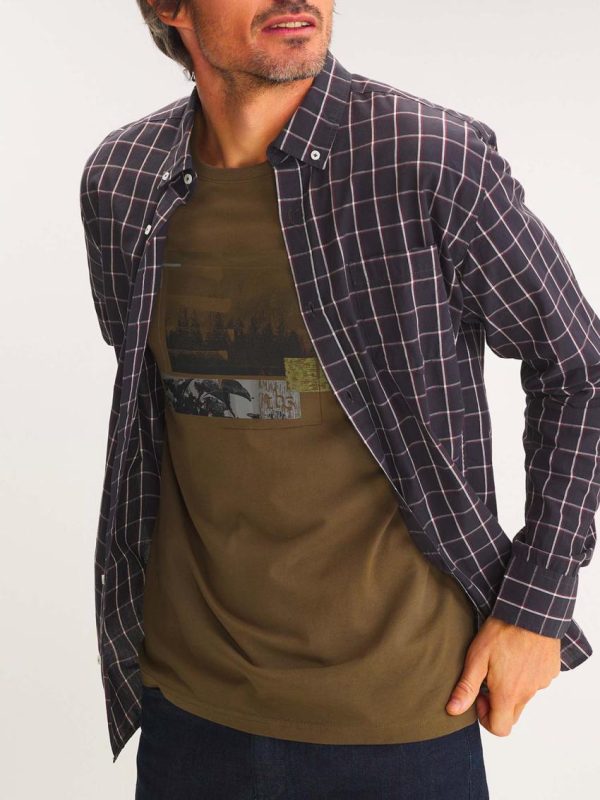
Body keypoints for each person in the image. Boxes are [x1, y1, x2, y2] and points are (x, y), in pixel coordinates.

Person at [80, 1, 600, 796]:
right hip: (189, 711)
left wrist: (535, 608)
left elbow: (579, 371)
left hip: (402, 718)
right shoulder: (123, 182)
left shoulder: (425, 158)